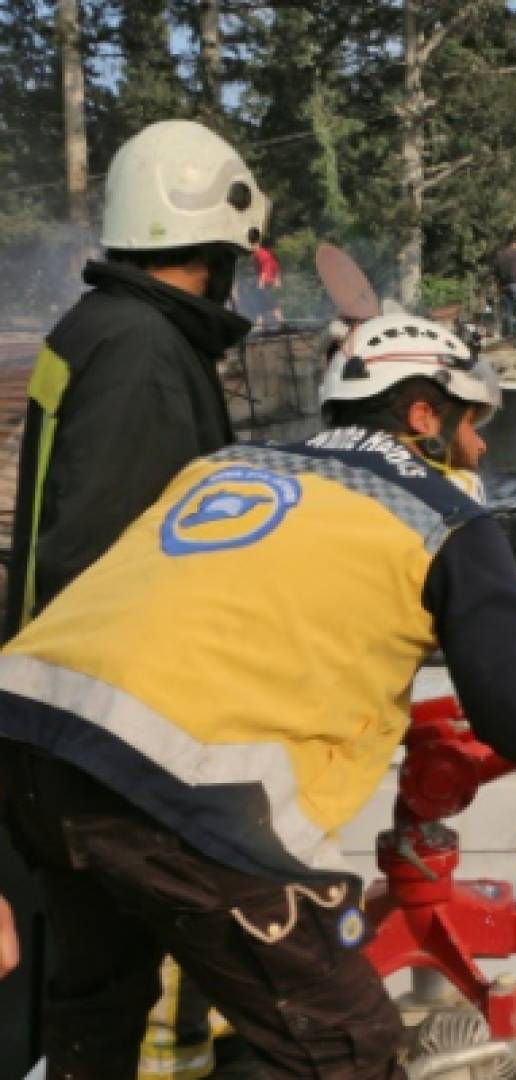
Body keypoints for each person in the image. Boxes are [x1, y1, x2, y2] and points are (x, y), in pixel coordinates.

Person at [0, 314, 516, 1079]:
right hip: (186, 796)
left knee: (99, 1013)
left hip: (31, 747)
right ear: (423, 415)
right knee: (349, 1050)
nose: (481, 447)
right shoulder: (446, 520)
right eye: (473, 423)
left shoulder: (223, 466)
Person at [2, 119, 268, 1078]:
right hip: (106, 750)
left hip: (59, 740)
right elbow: (110, 568)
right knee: (280, 983)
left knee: (99, 998)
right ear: (217, 248)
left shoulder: (97, 329)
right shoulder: (145, 353)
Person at [494, 236, 516, 339]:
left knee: (507, 311)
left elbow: (496, 272)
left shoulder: (500, 254)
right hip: (515, 284)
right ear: (514, 244)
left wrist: (498, 287)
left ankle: (509, 334)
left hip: (503, 286)